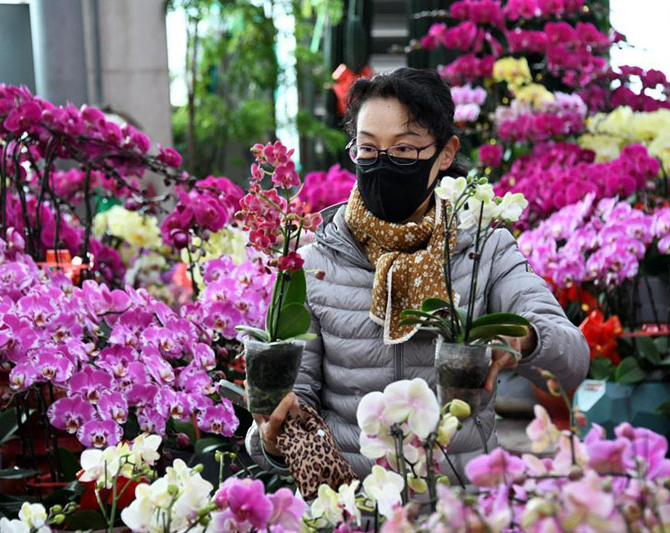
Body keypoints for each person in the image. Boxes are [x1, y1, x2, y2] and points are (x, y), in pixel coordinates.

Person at [246, 67, 589, 480]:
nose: (383, 164)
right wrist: (272, 434)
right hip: (355, 507)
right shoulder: (318, 262)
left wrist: (526, 337)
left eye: (405, 150)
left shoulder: (482, 250)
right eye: (368, 150)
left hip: (462, 506)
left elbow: (573, 359)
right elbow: (288, 405)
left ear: (445, 153)